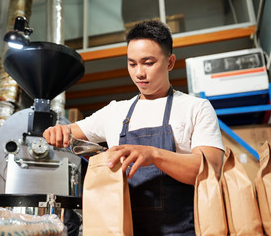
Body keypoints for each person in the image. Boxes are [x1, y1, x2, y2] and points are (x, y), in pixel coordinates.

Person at [43, 20, 224, 235]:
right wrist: (56, 131)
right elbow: (68, 131)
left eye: (148, 63)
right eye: (132, 63)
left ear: (170, 62)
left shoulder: (195, 107)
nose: (139, 73)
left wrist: (153, 154)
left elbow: (210, 168)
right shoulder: (115, 112)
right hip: (122, 229)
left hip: (183, 230)